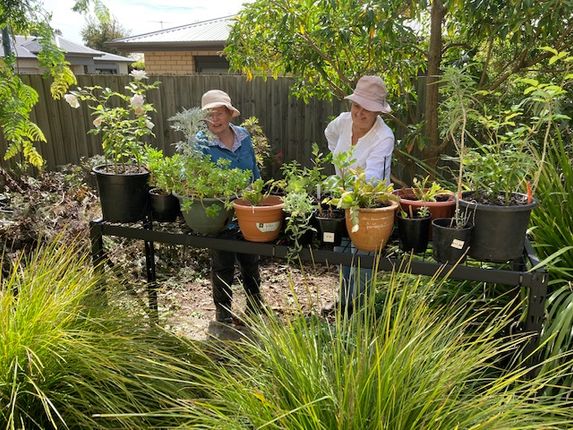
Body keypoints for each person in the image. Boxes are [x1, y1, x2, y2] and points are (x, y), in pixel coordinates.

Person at [324, 75, 395, 315]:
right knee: (341, 250)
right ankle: (344, 303)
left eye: (368, 109)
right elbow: (330, 136)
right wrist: (338, 161)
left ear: (378, 113)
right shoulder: (342, 122)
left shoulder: (383, 137)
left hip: (369, 204)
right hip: (341, 197)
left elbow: (373, 178)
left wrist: (350, 191)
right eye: (357, 106)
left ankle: (361, 309)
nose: (360, 113)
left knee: (363, 257)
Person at [197, 89, 263, 325]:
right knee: (222, 264)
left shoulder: (244, 136)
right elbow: (192, 175)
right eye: (210, 114)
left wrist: (257, 195)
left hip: (246, 209)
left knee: (251, 260)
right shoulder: (201, 142)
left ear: (229, 114)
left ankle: (255, 305)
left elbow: (254, 169)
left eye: (219, 113)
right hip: (220, 213)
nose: (215, 119)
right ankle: (223, 312)